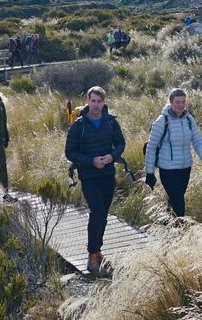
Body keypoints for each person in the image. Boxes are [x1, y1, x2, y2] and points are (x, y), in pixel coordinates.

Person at [64, 86, 125, 274]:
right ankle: (92, 254)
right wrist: (91, 161)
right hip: (89, 177)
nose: (96, 105)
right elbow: (70, 152)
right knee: (97, 211)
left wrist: (111, 156)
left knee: (104, 214)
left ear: (104, 102)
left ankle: (98, 251)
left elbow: (121, 143)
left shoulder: (111, 122)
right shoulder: (78, 125)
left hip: (107, 175)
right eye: (93, 101)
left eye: (99, 101)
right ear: (88, 101)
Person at [143, 87, 202, 218]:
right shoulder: (162, 121)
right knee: (179, 201)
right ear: (171, 102)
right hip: (168, 169)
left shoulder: (189, 119)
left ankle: (166, 225)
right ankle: (181, 231)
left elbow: (197, 141)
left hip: (185, 168)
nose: (181, 105)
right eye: (177, 102)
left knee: (175, 200)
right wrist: (149, 173)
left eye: (183, 102)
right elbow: (151, 147)